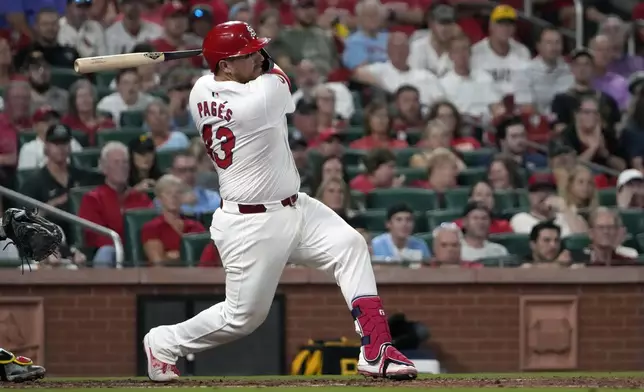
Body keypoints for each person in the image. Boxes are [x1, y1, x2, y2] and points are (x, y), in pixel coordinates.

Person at [142, 21, 417, 382]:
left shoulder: (200, 89)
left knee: (350, 245)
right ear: (226, 65)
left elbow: (246, 69)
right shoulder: (262, 98)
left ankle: (376, 349)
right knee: (242, 319)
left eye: (257, 50)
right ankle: (163, 342)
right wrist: (251, 57)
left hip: (294, 206)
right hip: (251, 225)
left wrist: (233, 53)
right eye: (248, 53)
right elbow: (276, 71)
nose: (257, 56)